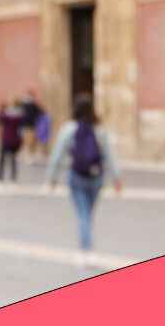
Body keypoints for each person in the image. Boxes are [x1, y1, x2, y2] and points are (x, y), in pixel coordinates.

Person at [45, 94, 124, 270]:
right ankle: (88, 250)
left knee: (83, 215)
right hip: (96, 178)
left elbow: (57, 154)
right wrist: (117, 179)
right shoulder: (100, 129)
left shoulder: (69, 128)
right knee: (88, 214)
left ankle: (86, 252)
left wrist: (52, 178)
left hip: (77, 176)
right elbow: (110, 156)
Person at [0, 97, 25, 182]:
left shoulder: (7, 115)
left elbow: (0, 118)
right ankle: (13, 176)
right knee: (13, 158)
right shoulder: (20, 116)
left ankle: (0, 176)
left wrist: (2, 109)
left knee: (2, 159)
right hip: (15, 139)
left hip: (6, 139)